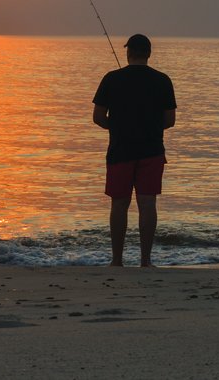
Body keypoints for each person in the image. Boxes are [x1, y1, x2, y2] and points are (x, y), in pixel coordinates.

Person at [92, 34, 176, 267]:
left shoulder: (111, 78)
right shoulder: (163, 80)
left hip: (120, 150)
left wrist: (116, 127)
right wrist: (149, 127)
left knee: (119, 204)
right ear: (149, 54)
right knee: (147, 204)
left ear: (128, 53)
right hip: (152, 150)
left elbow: (98, 117)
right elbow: (170, 120)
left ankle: (117, 260)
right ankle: (145, 261)